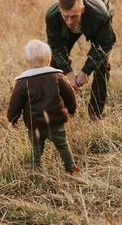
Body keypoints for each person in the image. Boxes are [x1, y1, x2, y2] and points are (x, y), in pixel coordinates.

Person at [7, 39, 79, 174]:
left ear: (27, 61)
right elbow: (69, 94)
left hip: (35, 124)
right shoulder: (58, 76)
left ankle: (36, 170)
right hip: (56, 121)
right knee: (63, 145)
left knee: (36, 148)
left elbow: (15, 102)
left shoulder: (23, 82)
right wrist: (72, 109)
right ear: (49, 59)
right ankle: (71, 167)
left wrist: (13, 118)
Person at [45, 0, 116, 120]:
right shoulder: (52, 15)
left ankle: (95, 114)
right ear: (60, 10)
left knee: (102, 64)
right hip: (74, 19)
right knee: (54, 63)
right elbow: (55, 46)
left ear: (82, 10)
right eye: (66, 16)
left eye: (74, 16)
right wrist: (68, 72)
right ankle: (60, 109)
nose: (70, 21)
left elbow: (105, 44)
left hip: (97, 13)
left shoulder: (100, 15)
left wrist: (86, 71)